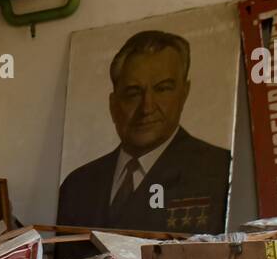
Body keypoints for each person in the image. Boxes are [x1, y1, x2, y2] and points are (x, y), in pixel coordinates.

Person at [57, 29, 231, 237]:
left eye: (162, 89)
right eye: (133, 93)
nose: (147, 107)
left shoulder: (220, 171)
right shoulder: (77, 186)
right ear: (113, 104)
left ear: (184, 94)